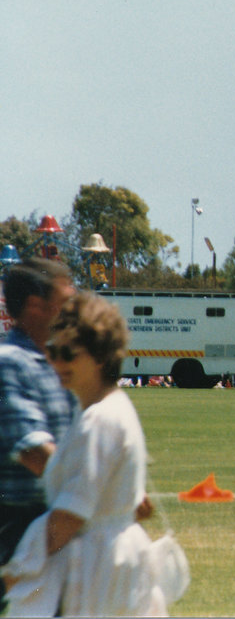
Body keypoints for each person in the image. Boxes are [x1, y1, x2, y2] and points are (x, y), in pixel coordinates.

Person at [1, 292, 167, 616]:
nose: (57, 363)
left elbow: (69, 516)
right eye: (52, 350)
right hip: (103, 562)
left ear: (100, 356)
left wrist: (15, 574)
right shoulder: (95, 410)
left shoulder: (100, 418)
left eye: (68, 353)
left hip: (102, 567)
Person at [0, 259, 78, 608]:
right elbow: (34, 453)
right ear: (36, 305)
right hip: (15, 525)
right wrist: (94, 488)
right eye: (65, 301)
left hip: (57, 517)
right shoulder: (10, 362)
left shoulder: (57, 361)